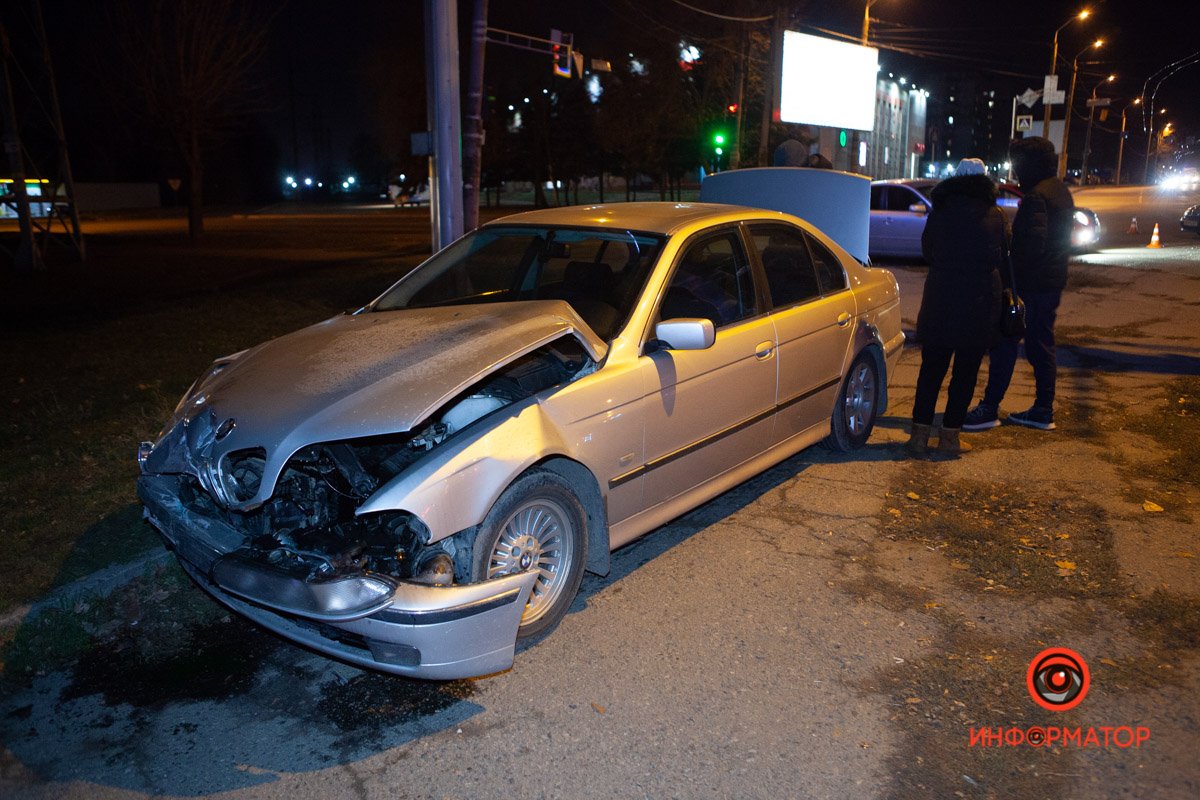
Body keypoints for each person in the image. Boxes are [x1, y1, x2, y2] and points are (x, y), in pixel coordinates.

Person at [963, 136, 1075, 432]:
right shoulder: (1060, 191)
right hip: (1050, 281)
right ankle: (1042, 408)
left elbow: (1032, 246)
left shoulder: (1039, 196)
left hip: (1031, 286)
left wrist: (1010, 269)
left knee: (1005, 342)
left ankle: (990, 407)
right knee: (1041, 344)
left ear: (1029, 164)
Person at [905, 157, 1008, 458]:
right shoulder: (996, 215)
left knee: (931, 371)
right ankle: (950, 438)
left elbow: (928, 251)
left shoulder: (941, 211)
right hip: (978, 305)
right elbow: (1004, 256)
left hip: (941, 301)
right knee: (965, 374)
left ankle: (918, 437)